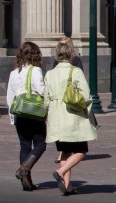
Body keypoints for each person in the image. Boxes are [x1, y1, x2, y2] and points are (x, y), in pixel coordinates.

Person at [44, 41, 97, 196]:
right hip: (73, 118)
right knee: (81, 151)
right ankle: (61, 171)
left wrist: (47, 114)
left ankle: (67, 186)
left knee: (65, 152)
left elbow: (46, 99)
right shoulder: (76, 72)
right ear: (71, 55)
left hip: (56, 118)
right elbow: (86, 95)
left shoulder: (49, 74)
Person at [6, 42, 47, 191]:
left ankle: (27, 180)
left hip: (19, 114)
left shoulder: (14, 73)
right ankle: (24, 169)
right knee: (40, 144)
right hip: (33, 113)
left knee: (24, 146)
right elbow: (41, 91)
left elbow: (10, 97)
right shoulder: (35, 70)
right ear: (35, 55)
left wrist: (12, 117)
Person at [52, 36, 84, 164]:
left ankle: (65, 153)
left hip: (71, 98)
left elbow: (81, 80)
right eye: (60, 45)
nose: (62, 47)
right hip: (60, 99)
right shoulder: (56, 62)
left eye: (64, 45)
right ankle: (63, 153)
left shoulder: (76, 60)